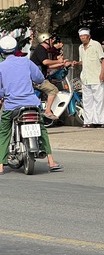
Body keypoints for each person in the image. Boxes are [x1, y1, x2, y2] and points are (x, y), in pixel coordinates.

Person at [0, 36, 63, 174]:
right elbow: (39, 78)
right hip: (32, 105)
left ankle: (0, 164)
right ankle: (51, 161)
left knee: (4, 131)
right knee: (42, 129)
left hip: (12, 107)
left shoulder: (1, 67)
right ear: (16, 49)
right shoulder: (26, 62)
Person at [73, 28, 104, 128]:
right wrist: (77, 63)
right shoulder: (80, 47)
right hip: (86, 77)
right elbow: (83, 61)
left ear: (89, 36)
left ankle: (102, 121)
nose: (83, 38)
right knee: (87, 100)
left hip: (96, 76)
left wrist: (102, 73)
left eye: (84, 36)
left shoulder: (95, 44)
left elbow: (103, 59)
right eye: (81, 36)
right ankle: (88, 121)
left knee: (99, 99)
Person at [29, 32, 68, 119]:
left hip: (37, 78)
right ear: (46, 40)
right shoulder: (41, 49)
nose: (52, 41)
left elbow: (49, 65)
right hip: (37, 79)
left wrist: (62, 64)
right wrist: (58, 61)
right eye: (51, 39)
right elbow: (45, 62)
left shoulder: (42, 50)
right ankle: (48, 111)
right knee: (53, 90)